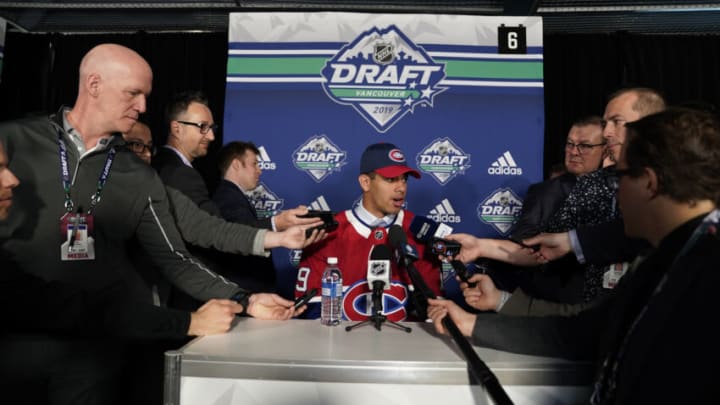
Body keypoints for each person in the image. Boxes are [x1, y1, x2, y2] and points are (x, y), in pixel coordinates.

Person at [0, 43, 295, 405]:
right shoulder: (13, 140)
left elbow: (174, 257)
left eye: (145, 95)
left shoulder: (137, 174)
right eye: (133, 93)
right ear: (94, 85)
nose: (143, 106)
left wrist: (245, 300)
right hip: (13, 337)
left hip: (93, 353)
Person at [428, 107, 720, 404]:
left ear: (649, 182)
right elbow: (585, 332)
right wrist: (471, 324)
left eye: (619, 177)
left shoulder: (705, 272)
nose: (615, 193)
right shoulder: (660, 259)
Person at [451, 116, 617, 314]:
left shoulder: (626, 191)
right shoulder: (546, 193)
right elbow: (530, 249)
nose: (574, 152)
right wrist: (481, 246)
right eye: (570, 144)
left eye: (584, 146)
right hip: (561, 304)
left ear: (606, 149)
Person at [295, 142, 442, 321]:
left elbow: (434, 312)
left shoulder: (423, 232)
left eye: (404, 179)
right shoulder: (327, 234)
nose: (401, 188)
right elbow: (309, 312)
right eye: (391, 179)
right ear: (365, 182)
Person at [524, 87, 665, 266]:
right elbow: (551, 243)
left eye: (616, 121)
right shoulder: (591, 183)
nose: (607, 133)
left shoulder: (675, 181)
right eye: (606, 124)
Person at [211, 141, 278, 292]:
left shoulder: (233, 195)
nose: (259, 170)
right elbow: (242, 232)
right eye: (254, 164)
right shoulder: (227, 198)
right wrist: (277, 223)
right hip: (244, 290)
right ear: (236, 165)